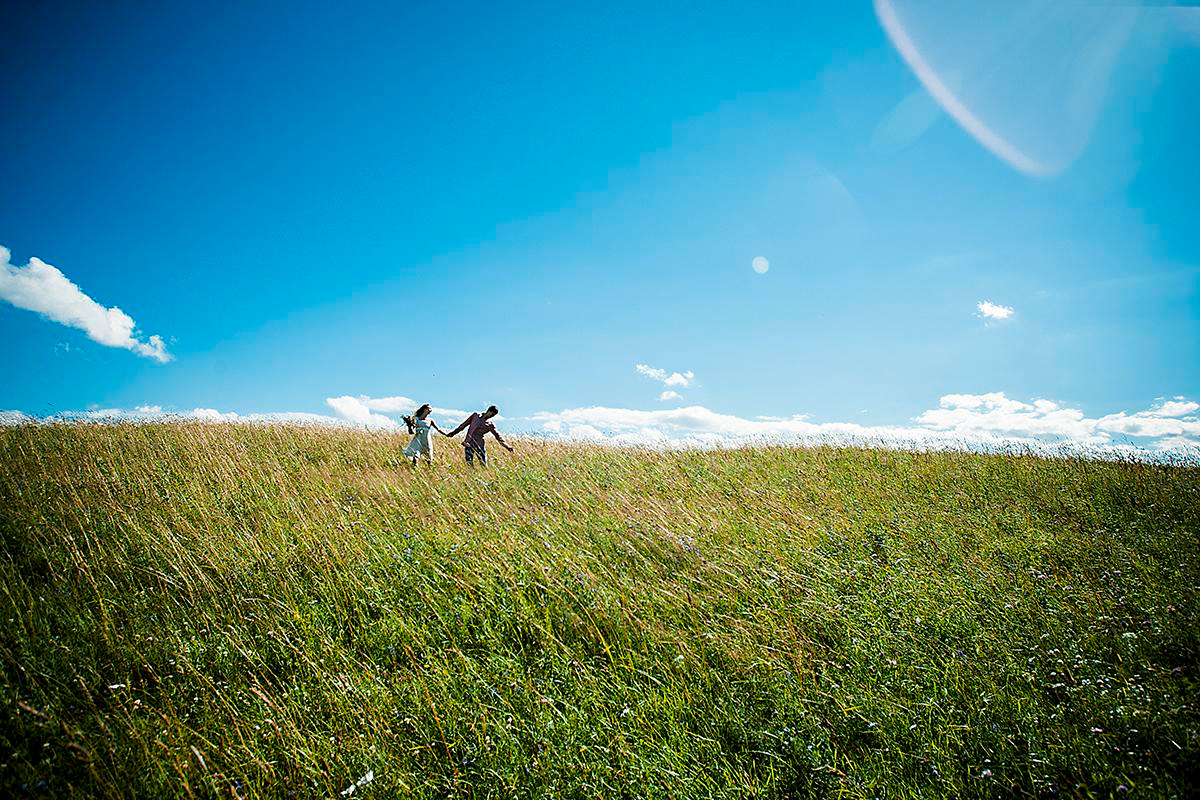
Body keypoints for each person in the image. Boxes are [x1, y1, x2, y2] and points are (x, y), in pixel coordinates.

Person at [443, 405, 513, 466]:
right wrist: (453, 433)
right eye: (492, 414)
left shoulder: (490, 424)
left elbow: (498, 437)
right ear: (488, 411)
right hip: (468, 444)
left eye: (493, 415)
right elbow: (463, 425)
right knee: (469, 463)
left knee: (483, 464)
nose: (492, 416)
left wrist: (507, 447)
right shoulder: (475, 415)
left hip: (480, 445)